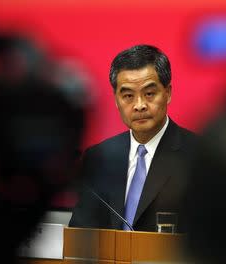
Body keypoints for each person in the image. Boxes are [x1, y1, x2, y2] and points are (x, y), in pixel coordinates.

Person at [69, 45, 197, 232]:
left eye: (149, 94)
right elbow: (80, 232)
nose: (139, 105)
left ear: (168, 93)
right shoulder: (98, 158)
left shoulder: (199, 156)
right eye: (128, 95)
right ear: (116, 100)